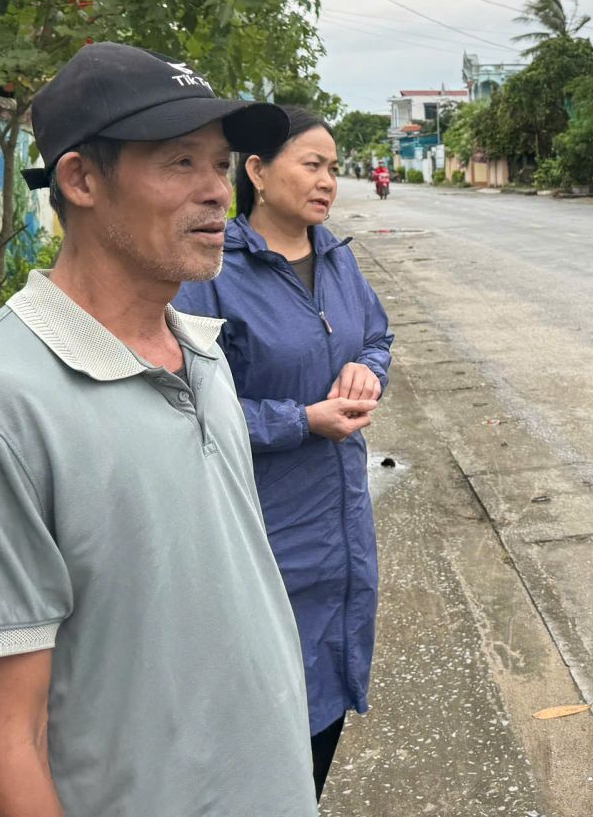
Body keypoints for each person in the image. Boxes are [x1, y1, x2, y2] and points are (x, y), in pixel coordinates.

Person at [0, 43, 317, 816]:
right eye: (180, 162)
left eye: (221, 165)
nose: (216, 193)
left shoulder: (203, 355)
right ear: (81, 180)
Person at [175, 107, 391, 799]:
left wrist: (368, 371)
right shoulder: (213, 272)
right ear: (259, 173)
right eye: (313, 164)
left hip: (341, 526)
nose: (329, 180)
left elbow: (377, 336)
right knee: (263, 724)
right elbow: (183, 406)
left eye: (334, 167)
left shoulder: (336, 257)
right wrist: (301, 420)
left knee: (323, 706)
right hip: (264, 530)